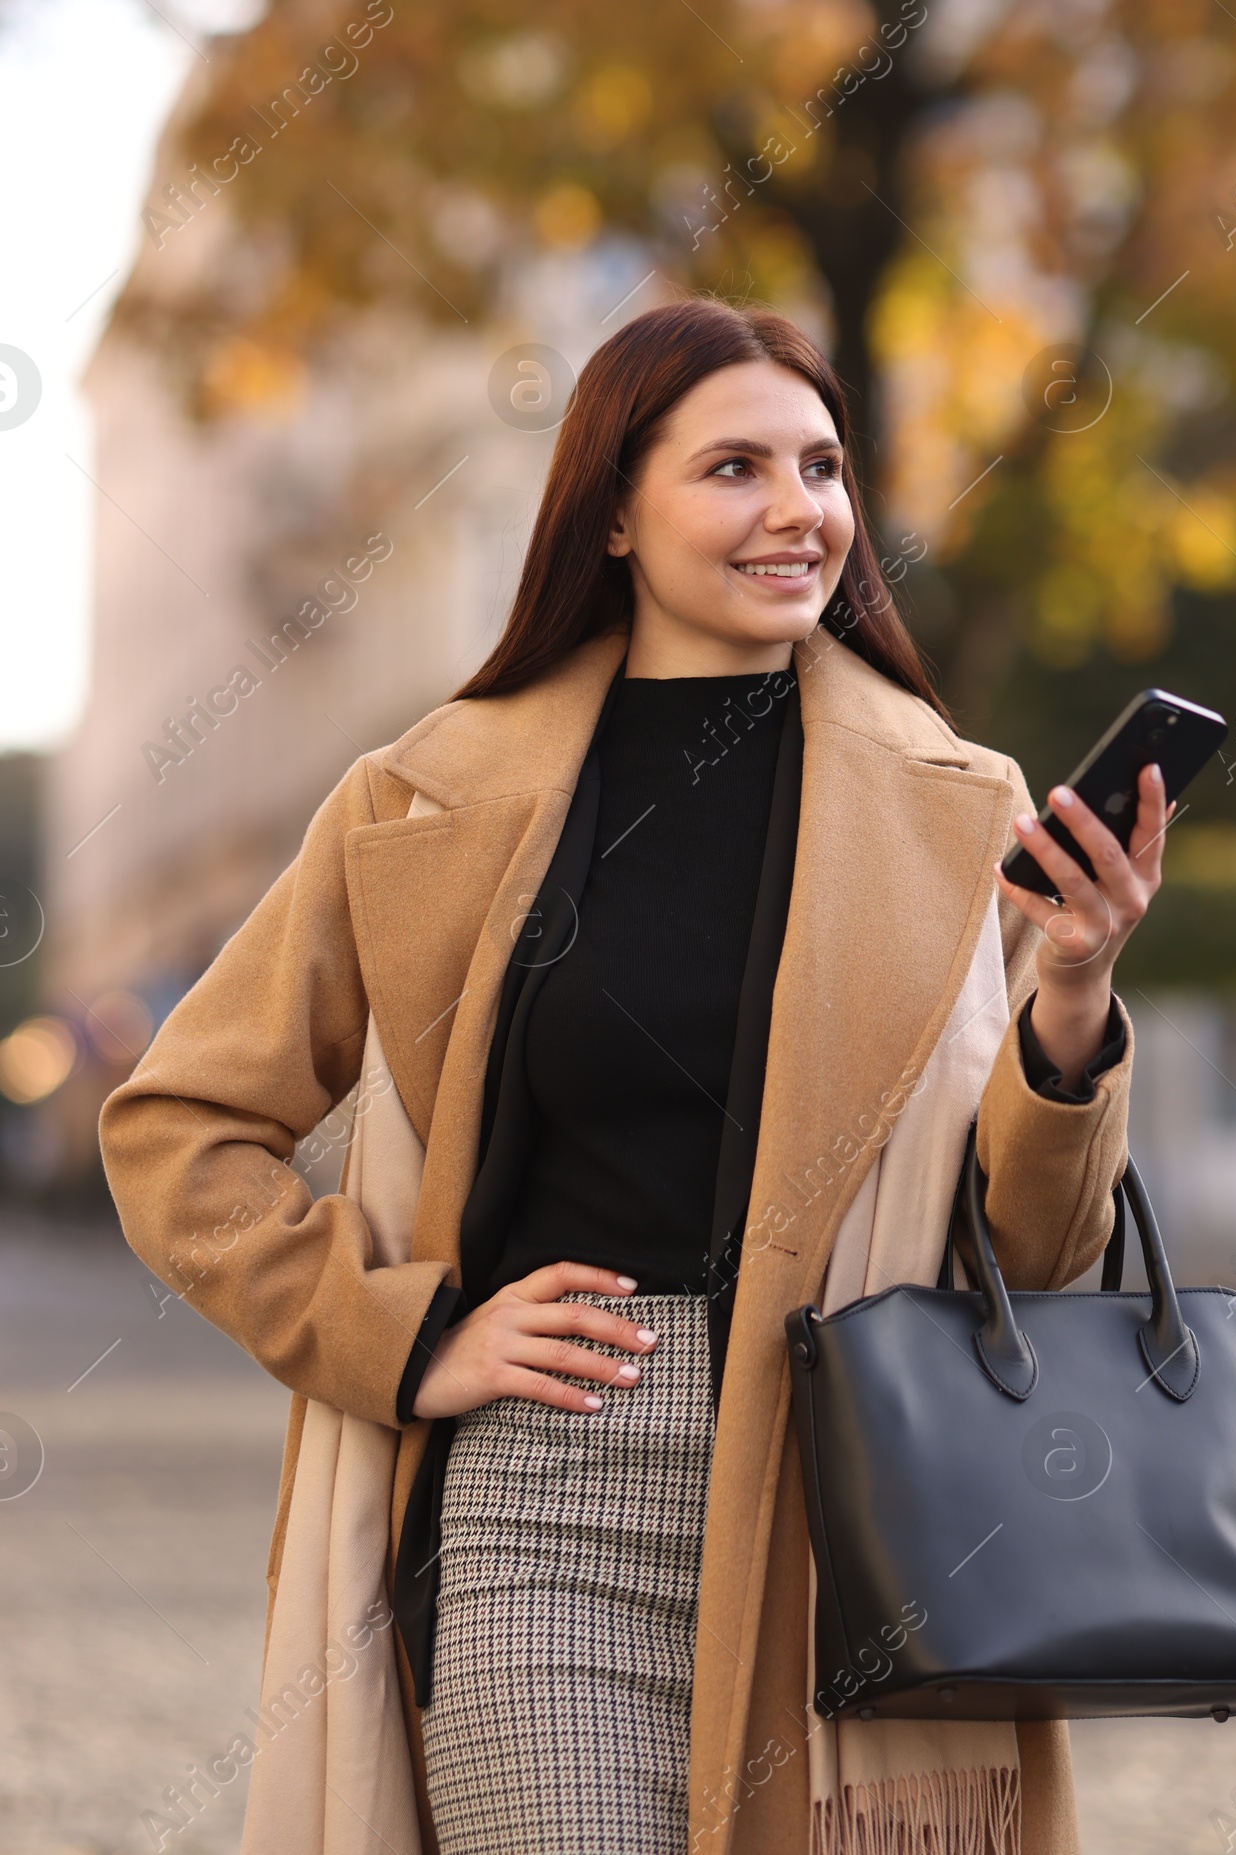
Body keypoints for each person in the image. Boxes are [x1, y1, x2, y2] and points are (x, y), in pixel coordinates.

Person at [100, 298, 1171, 1855]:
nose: (797, 511)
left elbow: (1034, 1256)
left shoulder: (961, 804)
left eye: (821, 465)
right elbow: (178, 1128)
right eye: (733, 468)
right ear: (611, 508)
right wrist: (410, 1337)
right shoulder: (421, 799)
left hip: (861, 1523)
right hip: (551, 1505)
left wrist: (1072, 992)